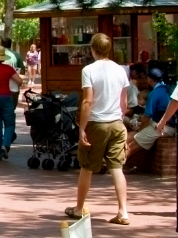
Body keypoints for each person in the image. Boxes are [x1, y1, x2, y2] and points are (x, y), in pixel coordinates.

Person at [66, 33, 130, 225]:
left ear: (92, 49)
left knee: (87, 166)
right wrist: (121, 118)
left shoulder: (89, 70)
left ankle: (78, 208)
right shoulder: (120, 70)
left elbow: (87, 101)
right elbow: (124, 101)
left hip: (97, 122)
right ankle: (123, 211)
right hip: (116, 123)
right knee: (117, 167)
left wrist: (82, 128)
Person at [126, 68, 174, 160]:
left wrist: (140, 130)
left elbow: (146, 117)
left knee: (130, 147)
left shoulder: (155, 93)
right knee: (130, 137)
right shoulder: (168, 89)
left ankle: (111, 168)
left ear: (150, 79)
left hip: (161, 127)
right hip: (169, 126)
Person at [0, 37, 25, 107]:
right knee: (9, 112)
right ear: (11, 44)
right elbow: (22, 71)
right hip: (12, 89)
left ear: (1, 44)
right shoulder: (16, 56)